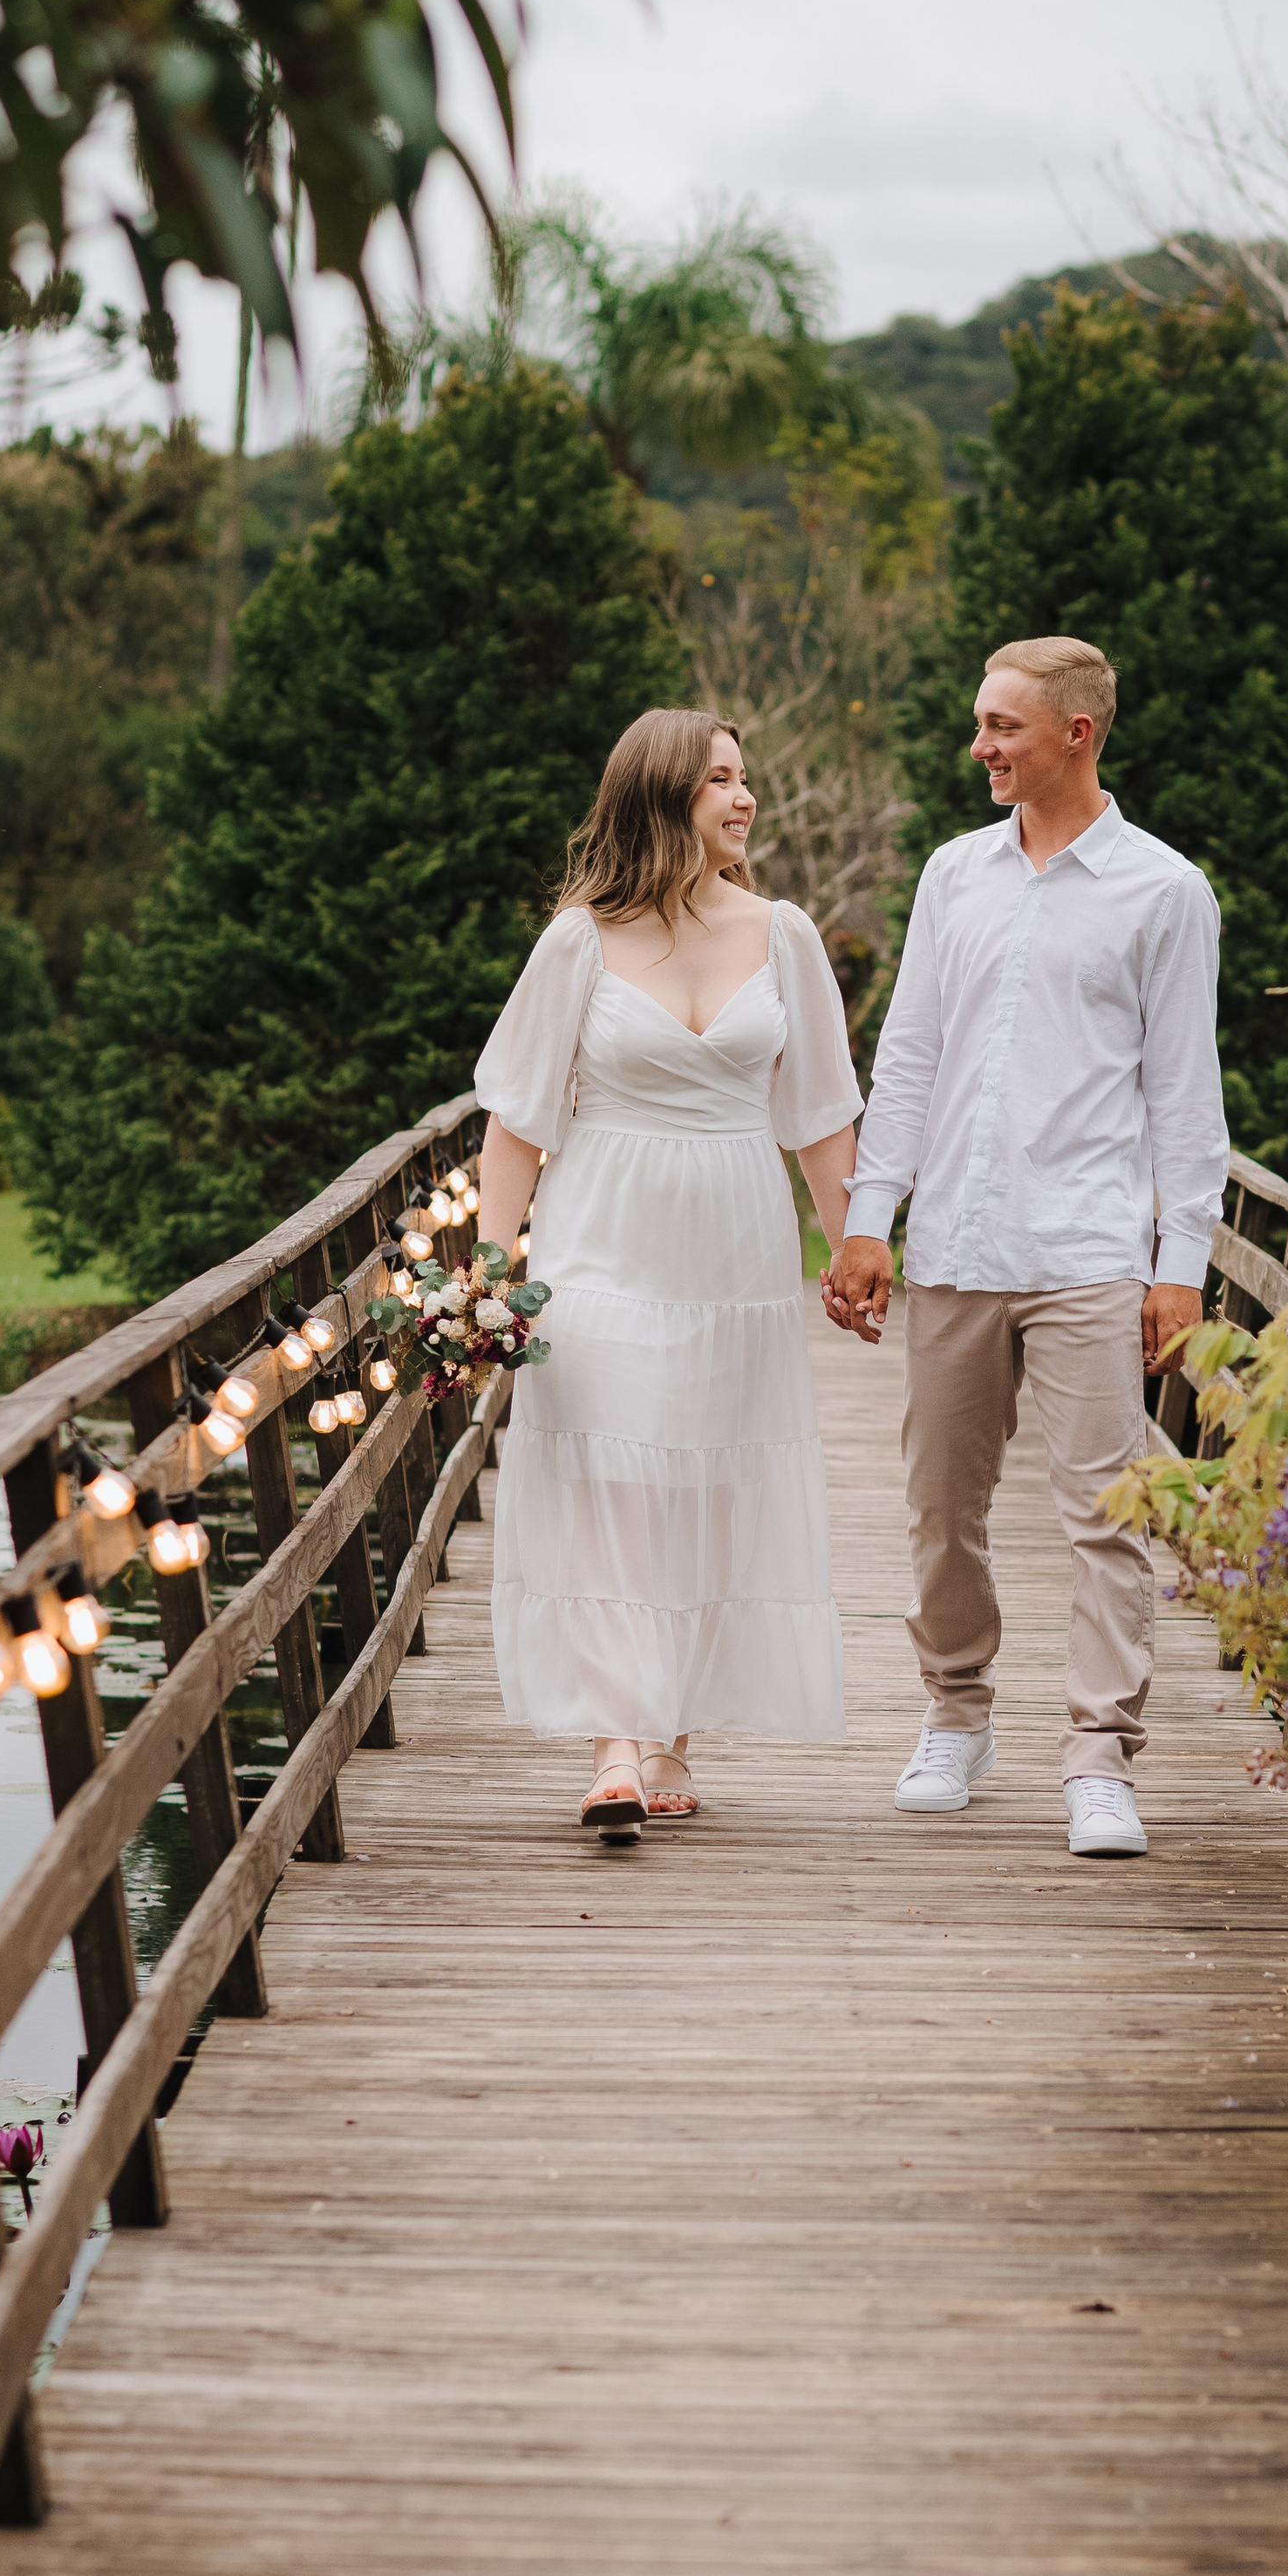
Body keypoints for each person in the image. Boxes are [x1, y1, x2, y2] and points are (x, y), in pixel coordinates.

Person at [823, 637, 1227, 1861]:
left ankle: (1101, 1757)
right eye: (981, 724)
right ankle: (956, 1714)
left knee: (1107, 1512)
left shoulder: (1166, 892)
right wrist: (864, 1219)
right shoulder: (955, 876)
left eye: (1003, 727)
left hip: (1090, 1249)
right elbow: (909, 1059)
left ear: (1076, 735)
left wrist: (1182, 1261)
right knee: (942, 1505)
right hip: (956, 1240)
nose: (981, 747)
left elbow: (1183, 1092)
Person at [473, 709, 876, 1841]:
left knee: (704, 1478)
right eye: (718, 782)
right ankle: (614, 1744)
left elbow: (820, 1118)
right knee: (612, 1476)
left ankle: (676, 1730)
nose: (744, 800)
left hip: (736, 1252)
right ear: (659, 797)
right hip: (599, 1238)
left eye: (745, 779)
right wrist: (488, 1277)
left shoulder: (783, 933)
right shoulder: (578, 943)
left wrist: (854, 1249)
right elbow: (516, 1125)